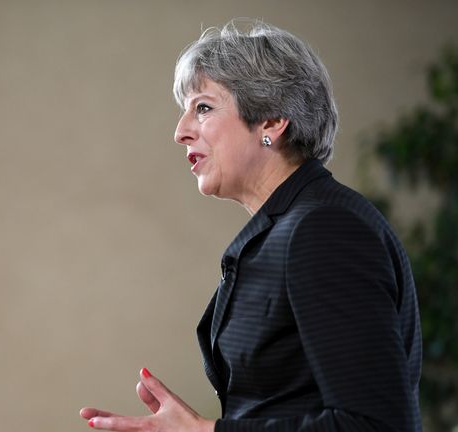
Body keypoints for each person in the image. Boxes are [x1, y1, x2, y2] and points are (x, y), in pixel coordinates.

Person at [80, 21, 422, 431]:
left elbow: (376, 425)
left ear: (272, 122)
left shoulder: (325, 230)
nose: (180, 132)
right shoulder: (291, 226)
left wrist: (205, 431)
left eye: (203, 108)